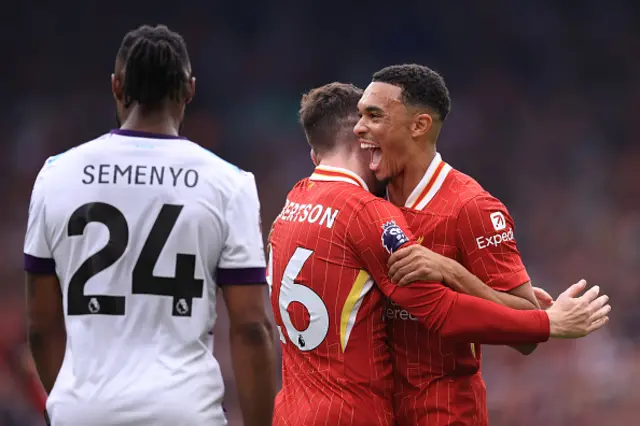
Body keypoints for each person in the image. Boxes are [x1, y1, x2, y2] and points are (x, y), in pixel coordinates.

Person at [268, 82, 610, 425]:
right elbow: (441, 310)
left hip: (298, 411)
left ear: (316, 155)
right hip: (353, 414)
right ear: (364, 140)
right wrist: (547, 322)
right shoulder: (365, 211)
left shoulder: (290, 207)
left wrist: (470, 281)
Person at [23, 24, 276, 426]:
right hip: (184, 412)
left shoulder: (56, 174)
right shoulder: (228, 183)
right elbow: (251, 327)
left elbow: (40, 326)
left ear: (117, 87)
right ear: (189, 89)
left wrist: (76, 407)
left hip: (82, 411)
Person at [354, 63, 594, 425]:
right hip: (379, 412)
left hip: (443, 413)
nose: (359, 127)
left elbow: (527, 330)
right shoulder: (368, 200)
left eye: (374, 115)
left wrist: (451, 271)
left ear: (419, 125)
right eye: (360, 115)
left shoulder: (471, 207)